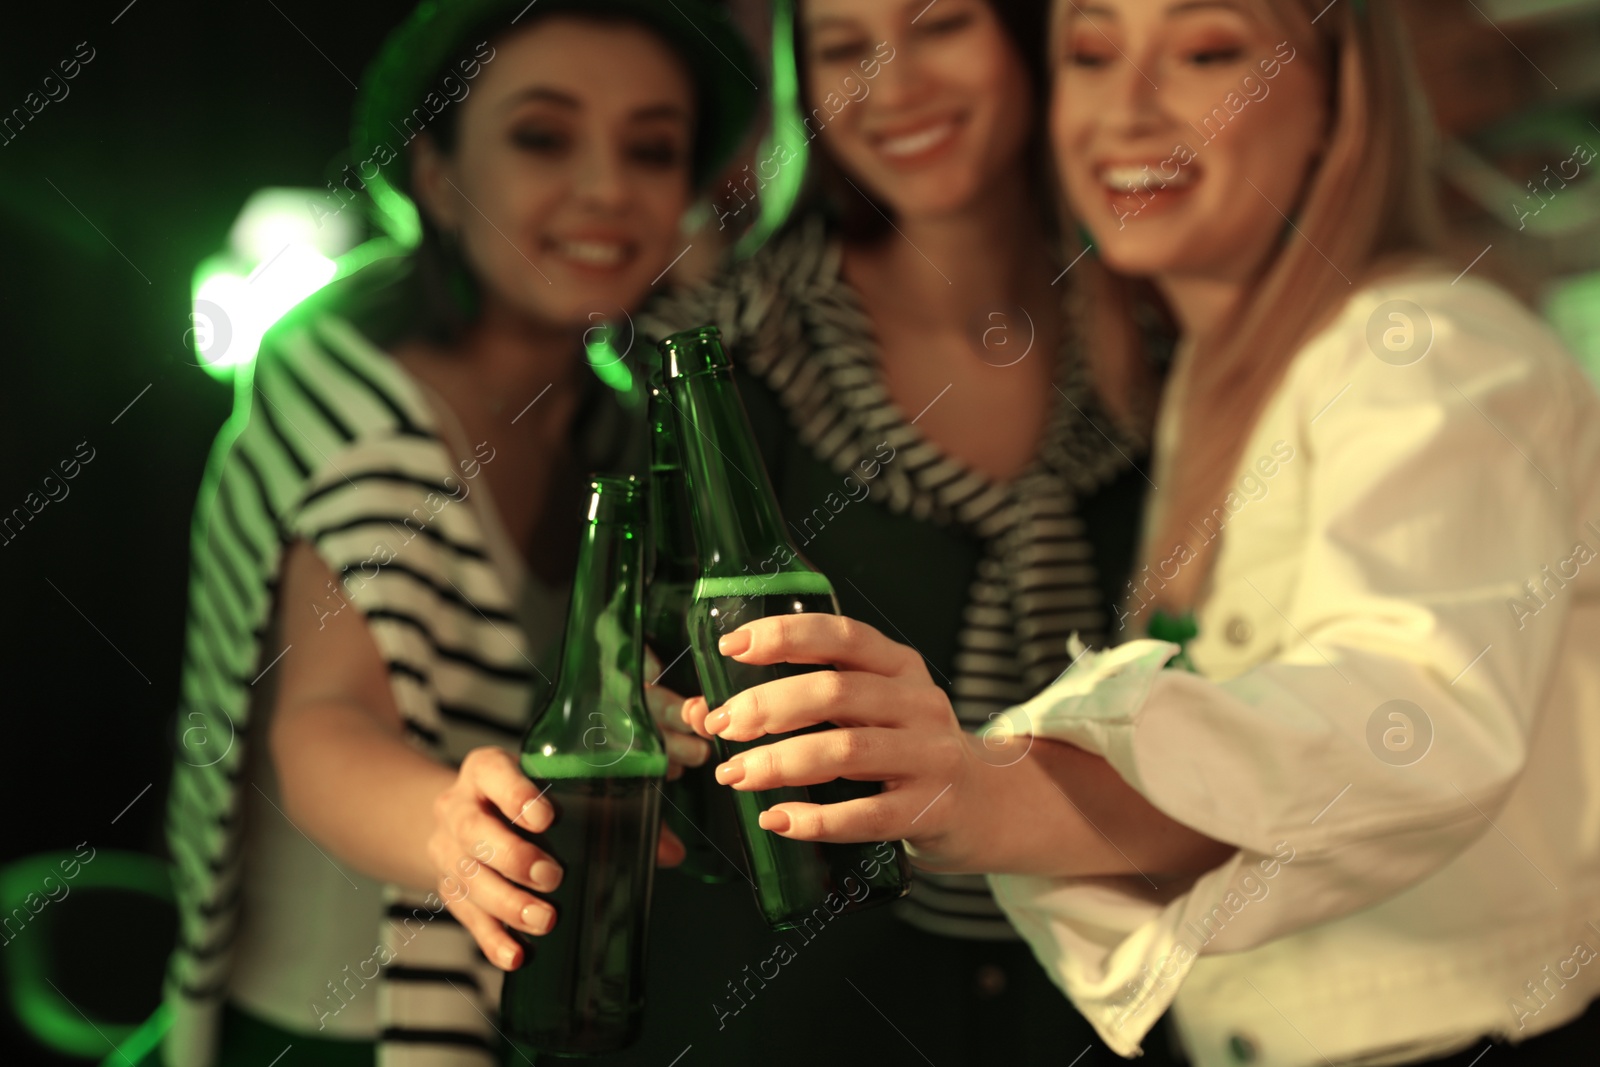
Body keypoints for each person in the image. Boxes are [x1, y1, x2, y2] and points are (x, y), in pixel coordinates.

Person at [679, 1, 1600, 1065]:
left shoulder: (1432, 356)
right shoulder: (1194, 387)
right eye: (1093, 54)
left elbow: (1402, 707)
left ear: (1337, 99)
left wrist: (980, 785)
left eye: (1208, 52)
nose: (1126, 110)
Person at [152, 3, 757, 1065]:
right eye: (542, 136)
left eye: (651, 148)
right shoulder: (346, 395)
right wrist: (452, 824)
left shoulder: (624, 429)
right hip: (324, 1032)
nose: (608, 186)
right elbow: (321, 722)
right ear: (434, 173)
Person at [639, 0, 1185, 1062]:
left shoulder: (1168, 330)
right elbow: (632, 659)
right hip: (803, 1020)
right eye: (843, 47)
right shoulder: (724, 358)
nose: (889, 85)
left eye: (938, 23)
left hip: (1113, 1006)